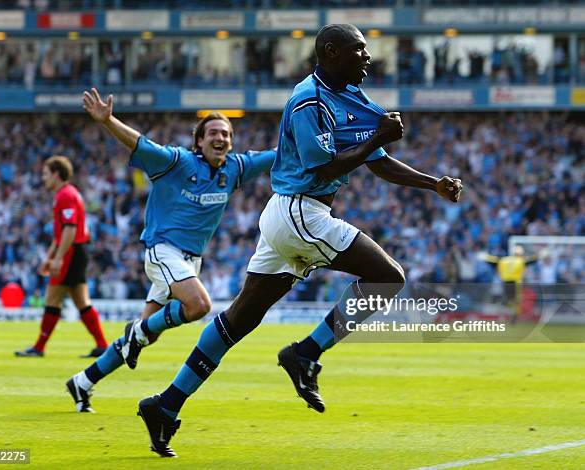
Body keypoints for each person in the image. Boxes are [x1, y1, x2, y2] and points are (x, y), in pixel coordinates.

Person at [129, 24, 463, 457]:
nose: (367, 58)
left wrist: (432, 183)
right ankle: (305, 352)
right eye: (358, 50)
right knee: (387, 277)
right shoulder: (308, 100)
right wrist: (379, 136)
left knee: (238, 321)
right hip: (300, 210)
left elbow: (379, 164)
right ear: (330, 51)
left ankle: (165, 405)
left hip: (290, 214)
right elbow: (322, 167)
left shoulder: (355, 99)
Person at [65, 88, 275, 412]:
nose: (221, 138)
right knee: (199, 305)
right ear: (199, 141)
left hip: (191, 262)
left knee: (143, 337)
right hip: (163, 252)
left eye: (226, 134)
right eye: (214, 133)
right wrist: (108, 121)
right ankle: (139, 330)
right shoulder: (176, 161)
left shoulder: (235, 169)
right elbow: (139, 143)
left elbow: (278, 154)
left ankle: (83, 381)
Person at [15, 156, 108, 358]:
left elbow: (69, 230)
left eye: (46, 174)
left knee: (52, 298)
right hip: (75, 250)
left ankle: (39, 347)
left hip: (71, 251)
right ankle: (102, 345)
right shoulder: (66, 194)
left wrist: (57, 259)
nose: (43, 178)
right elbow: (60, 234)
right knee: (81, 301)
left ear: (56, 174)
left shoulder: (65, 195)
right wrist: (49, 257)